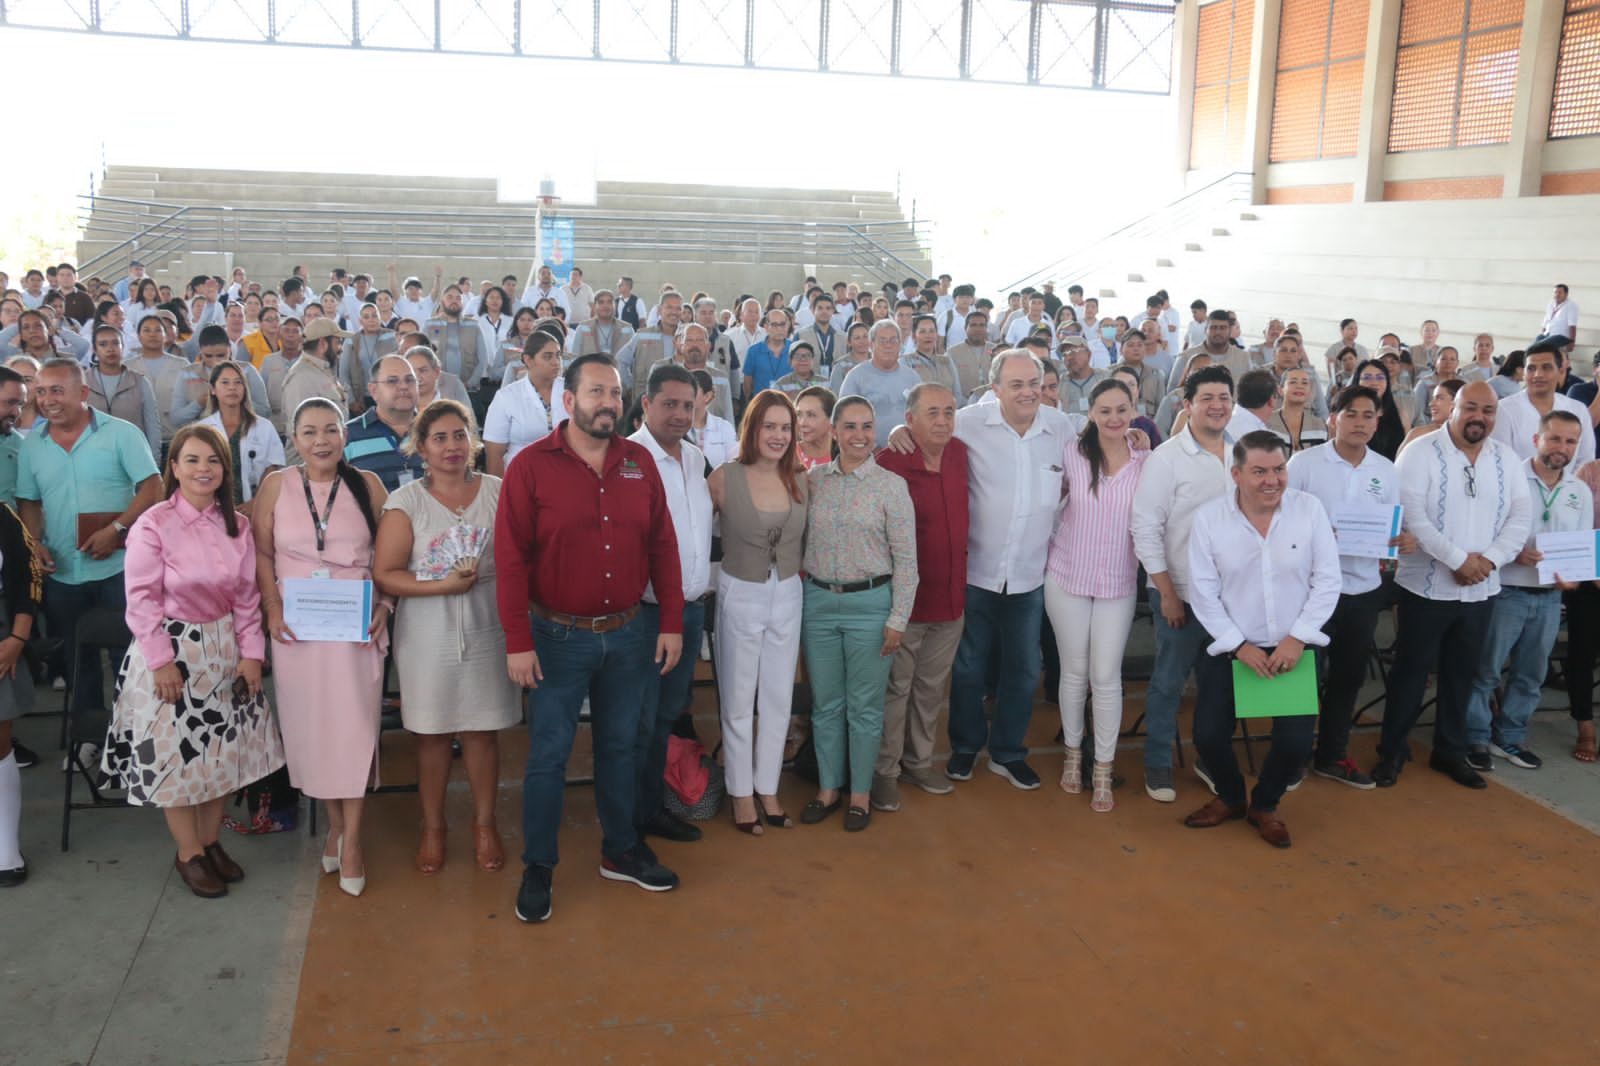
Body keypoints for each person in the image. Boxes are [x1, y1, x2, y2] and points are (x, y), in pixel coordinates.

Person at [494, 353, 685, 924]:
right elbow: (509, 560)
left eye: (615, 392)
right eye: (596, 391)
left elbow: (662, 546)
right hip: (555, 639)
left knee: (621, 748)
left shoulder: (639, 463)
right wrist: (517, 640)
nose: (608, 402)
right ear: (568, 399)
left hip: (629, 636)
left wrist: (671, 621)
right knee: (548, 756)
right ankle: (540, 865)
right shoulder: (530, 467)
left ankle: (620, 850)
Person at [101, 424, 284, 898]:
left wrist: (251, 655)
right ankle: (189, 854)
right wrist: (161, 661)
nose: (204, 469)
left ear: (226, 471)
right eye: (193, 460)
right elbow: (141, 599)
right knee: (177, 762)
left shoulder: (237, 526)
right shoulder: (154, 523)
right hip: (172, 651)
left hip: (223, 651)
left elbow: (247, 598)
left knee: (219, 754)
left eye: (214, 461)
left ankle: (210, 841)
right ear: (175, 468)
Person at [252, 399, 393, 897]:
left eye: (331, 429)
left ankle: (353, 838)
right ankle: (335, 825)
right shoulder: (276, 485)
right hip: (298, 628)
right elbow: (263, 552)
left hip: (354, 625)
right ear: (294, 438)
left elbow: (390, 550)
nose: (321, 440)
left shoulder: (368, 485)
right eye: (310, 431)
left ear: (344, 435)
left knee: (353, 729)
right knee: (312, 731)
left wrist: (387, 602)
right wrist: (270, 605)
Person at [374, 399, 520, 875]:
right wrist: (440, 586)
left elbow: (521, 560)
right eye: (439, 438)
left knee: (482, 733)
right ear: (421, 448)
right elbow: (386, 574)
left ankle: (484, 824)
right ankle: (433, 827)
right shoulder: (406, 503)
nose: (452, 446)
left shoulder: (499, 492)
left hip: (488, 629)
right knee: (432, 737)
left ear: (473, 442)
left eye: (460, 435)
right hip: (426, 636)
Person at [1183, 431, 1341, 848]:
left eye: (1279, 470)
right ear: (1236, 474)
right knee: (1209, 737)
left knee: (1294, 743)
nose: (1272, 480)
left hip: (1293, 649)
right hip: (1233, 648)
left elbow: (1327, 581)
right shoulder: (1209, 519)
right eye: (1259, 472)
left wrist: (1297, 640)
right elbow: (1202, 590)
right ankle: (1231, 797)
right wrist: (1239, 645)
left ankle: (1265, 804)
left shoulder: (1309, 511)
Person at [1375, 381, 1532, 789]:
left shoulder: (1507, 459)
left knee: (1463, 675)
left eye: (1488, 410)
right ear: (1454, 409)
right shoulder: (1420, 452)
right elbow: (1413, 517)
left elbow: (1520, 517)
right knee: (1410, 675)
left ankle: (1449, 752)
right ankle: (1391, 752)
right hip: (1425, 590)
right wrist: (1460, 560)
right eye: (1472, 408)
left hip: (1480, 590)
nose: (1480, 417)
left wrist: (1489, 561)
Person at [799, 396, 917, 832]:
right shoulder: (813, 481)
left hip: (871, 607)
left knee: (865, 707)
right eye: (849, 427)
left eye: (867, 426)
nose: (859, 435)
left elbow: (907, 560)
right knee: (827, 705)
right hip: (819, 604)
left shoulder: (890, 486)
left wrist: (897, 619)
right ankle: (829, 789)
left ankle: (861, 795)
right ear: (833, 432)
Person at [1285, 386, 1412, 788]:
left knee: (1348, 676)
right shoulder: (1303, 464)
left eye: (1368, 415)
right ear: (1332, 419)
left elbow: (1392, 525)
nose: (1360, 422)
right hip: (1309, 589)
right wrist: (1318, 535)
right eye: (1351, 414)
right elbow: (1279, 521)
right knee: (1300, 675)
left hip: (1362, 589)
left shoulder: (1386, 470)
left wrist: (1397, 542)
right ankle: (1289, 758)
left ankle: (1332, 755)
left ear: (1378, 422)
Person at [18, 358, 161, 712]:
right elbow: (29, 501)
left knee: (128, 655)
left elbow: (152, 486)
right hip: (63, 573)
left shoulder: (121, 434)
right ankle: (89, 741)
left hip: (119, 569)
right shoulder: (32, 445)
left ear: (83, 392)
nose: (47, 399)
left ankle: (132, 732)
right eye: (40, 392)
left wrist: (117, 529)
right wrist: (35, 543)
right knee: (75, 657)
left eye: (56, 390)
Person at [1130, 365, 1236, 802]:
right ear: (1187, 405)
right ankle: (1157, 763)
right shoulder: (1166, 458)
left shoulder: (1244, 452)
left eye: (1224, 398)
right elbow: (1145, 528)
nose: (1217, 406)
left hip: (1232, 598)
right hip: (1181, 595)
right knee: (1169, 682)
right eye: (1207, 398)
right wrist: (1168, 593)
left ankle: (1210, 758)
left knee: (1220, 685)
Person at [1465, 411, 1593, 771]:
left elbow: (1580, 547)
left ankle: (1509, 737)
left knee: (1531, 675)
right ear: (1537, 440)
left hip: (1551, 599)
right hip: (1506, 591)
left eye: (1570, 441)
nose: (1562, 447)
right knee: (1486, 671)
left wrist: (1575, 577)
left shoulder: (1578, 491)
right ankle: (1475, 736)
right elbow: (1483, 533)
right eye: (1554, 438)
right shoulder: (1507, 479)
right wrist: (1513, 554)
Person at [1044, 379, 1150, 811]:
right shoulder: (1070, 451)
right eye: (1104, 410)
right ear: (1089, 413)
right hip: (1066, 576)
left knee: (1105, 677)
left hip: (1117, 583)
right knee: (1074, 672)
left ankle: (1103, 767)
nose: (1113, 418)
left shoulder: (1147, 461)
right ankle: (1073, 755)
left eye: (1121, 409)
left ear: (1134, 409)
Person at [707, 390, 808, 834]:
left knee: (778, 695)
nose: (778, 435)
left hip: (787, 592)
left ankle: (767, 786)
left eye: (785, 428)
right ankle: (740, 791)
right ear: (752, 429)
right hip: (740, 592)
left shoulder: (801, 479)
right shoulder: (724, 477)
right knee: (737, 695)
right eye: (769, 426)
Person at [628, 363, 714, 844]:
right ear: (646, 404)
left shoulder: (695, 459)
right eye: (670, 404)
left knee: (665, 717)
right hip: (649, 615)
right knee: (640, 720)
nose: (680, 414)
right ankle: (632, 820)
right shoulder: (629, 459)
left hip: (691, 607)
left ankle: (650, 807)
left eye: (688, 404)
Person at [873, 383, 968, 810]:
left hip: (951, 600)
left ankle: (919, 762)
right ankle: (885, 772)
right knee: (896, 690)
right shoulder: (890, 461)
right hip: (905, 605)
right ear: (909, 419)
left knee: (930, 690)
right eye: (933, 413)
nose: (943, 421)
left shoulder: (961, 453)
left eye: (949, 411)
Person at [0, 496, 42, 886]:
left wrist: (17, 636)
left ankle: (5, 847)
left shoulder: (3, 517)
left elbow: (28, 576)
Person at [1492, 341, 1597, 467]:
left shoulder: (1578, 410)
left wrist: (1567, 486)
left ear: (1560, 371)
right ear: (1524, 373)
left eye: (1546, 367)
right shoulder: (1504, 410)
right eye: (1531, 368)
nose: (1538, 375)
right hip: (1518, 485)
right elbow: (1500, 462)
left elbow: (1585, 461)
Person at [199, 361, 284, 508]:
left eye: (238, 382)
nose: (232, 387)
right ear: (213, 389)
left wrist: (255, 502)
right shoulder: (203, 429)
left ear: (245, 388)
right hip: (212, 508)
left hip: (257, 507)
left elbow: (273, 469)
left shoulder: (264, 427)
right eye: (225, 382)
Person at [483, 326, 565, 476]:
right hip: (521, 477)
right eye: (547, 356)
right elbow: (494, 454)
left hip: (565, 476)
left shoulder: (572, 391)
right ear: (528, 360)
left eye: (558, 355)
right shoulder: (507, 397)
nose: (556, 362)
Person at [344, 354, 425, 490]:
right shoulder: (347, 435)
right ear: (373, 390)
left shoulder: (433, 429)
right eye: (392, 381)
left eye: (410, 380)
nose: (404, 386)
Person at [839, 321, 922, 448]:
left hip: (907, 452)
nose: (888, 345)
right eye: (882, 341)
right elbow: (844, 420)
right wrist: (870, 449)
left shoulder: (913, 378)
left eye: (893, 340)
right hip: (867, 454)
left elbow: (922, 417)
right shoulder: (855, 377)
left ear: (900, 345)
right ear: (871, 345)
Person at [84, 325, 162, 460]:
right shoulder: (83, 382)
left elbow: (152, 426)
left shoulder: (139, 381)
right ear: (95, 350)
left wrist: (153, 461)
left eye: (115, 343)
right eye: (103, 344)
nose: (110, 349)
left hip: (132, 456)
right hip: (92, 457)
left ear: (123, 347)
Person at [1350, 356, 1407, 459]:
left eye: (1380, 377)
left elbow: (1406, 453)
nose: (1374, 382)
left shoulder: (1400, 414)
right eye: (1367, 377)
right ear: (1357, 381)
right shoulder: (1346, 414)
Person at [1398, 377, 1464, 454]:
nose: (1431, 404)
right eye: (1433, 398)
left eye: (1439, 398)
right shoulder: (1418, 434)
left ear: (1458, 402)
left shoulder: (1473, 436)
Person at [1268, 367, 1326, 452]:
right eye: (1293, 382)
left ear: (1310, 391)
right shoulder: (1266, 422)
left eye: (1305, 383)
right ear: (1280, 390)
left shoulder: (1321, 426)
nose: (1299, 386)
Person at [689, 369, 738, 467]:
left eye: (693, 390)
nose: (687, 395)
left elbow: (734, 466)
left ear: (707, 396)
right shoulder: (676, 427)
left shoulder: (725, 428)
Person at [795, 385, 836, 469]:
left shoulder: (847, 453)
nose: (802, 423)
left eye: (811, 415)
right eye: (799, 414)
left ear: (831, 418)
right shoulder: (787, 454)